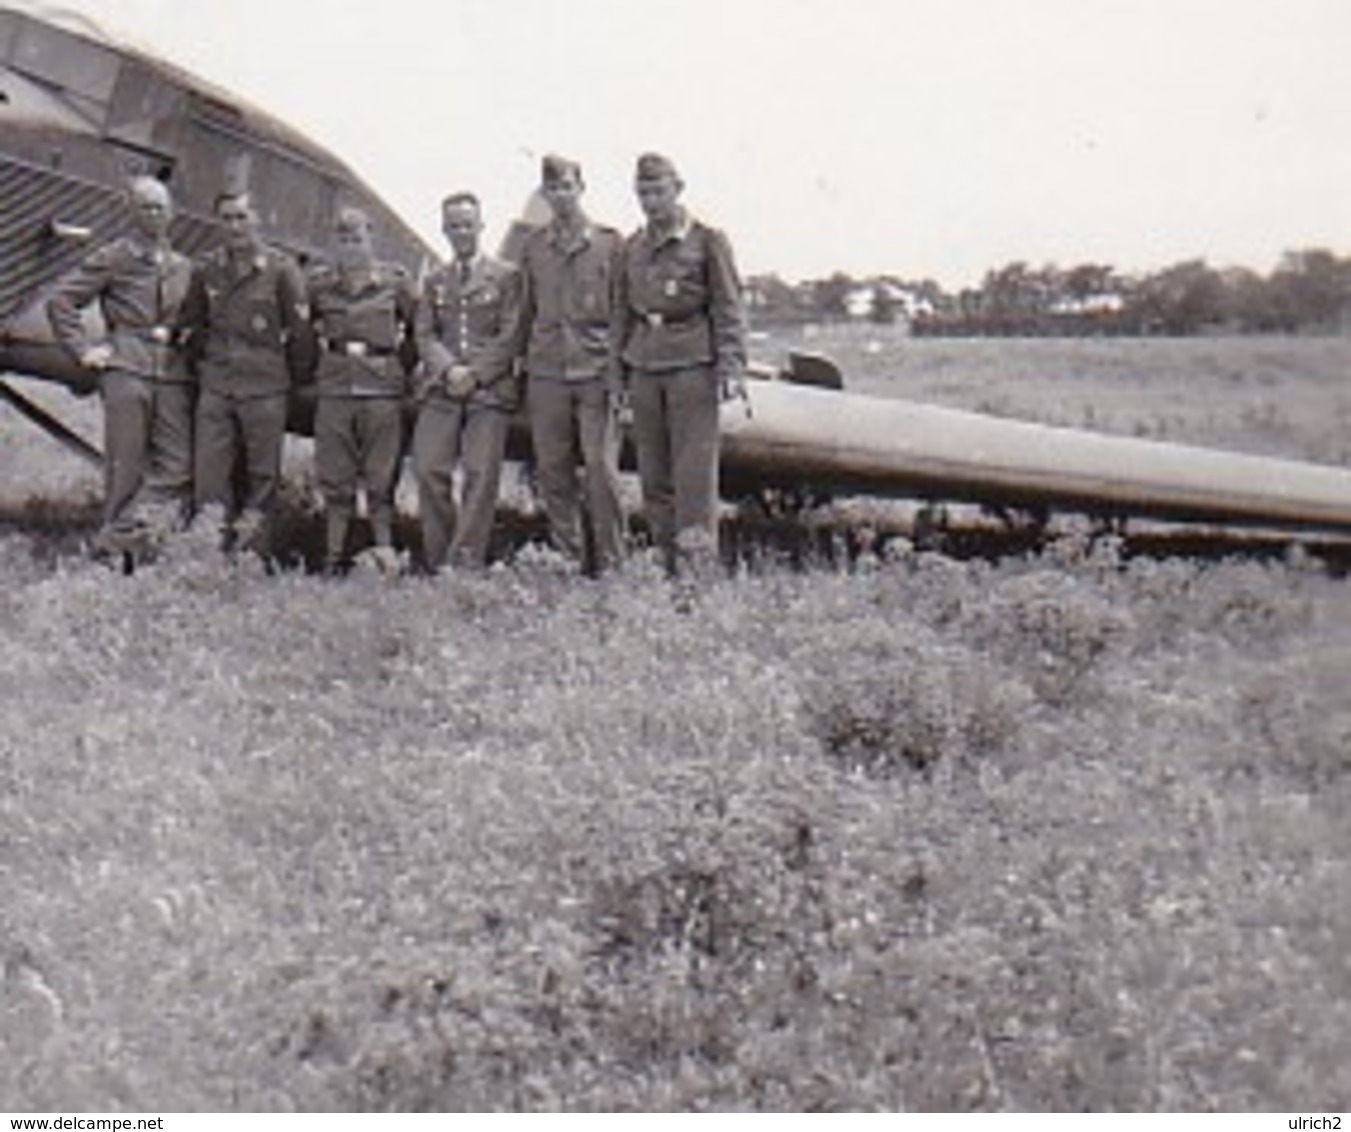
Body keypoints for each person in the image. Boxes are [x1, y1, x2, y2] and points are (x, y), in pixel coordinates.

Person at [611, 152, 748, 579]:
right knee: (654, 476)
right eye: (643, 192)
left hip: (692, 365)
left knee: (693, 477)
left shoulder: (708, 241)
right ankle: (666, 566)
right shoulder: (632, 247)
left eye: (658, 191)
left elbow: (728, 308)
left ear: (678, 188)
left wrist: (731, 369)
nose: (651, 201)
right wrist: (618, 375)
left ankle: (696, 572)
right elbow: (621, 315)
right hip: (645, 366)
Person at [47, 175, 195, 564]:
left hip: (173, 373)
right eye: (146, 206)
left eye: (161, 206)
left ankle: (114, 538)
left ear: (172, 212)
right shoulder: (115, 257)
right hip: (126, 367)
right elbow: (62, 301)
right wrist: (82, 350)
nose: (155, 214)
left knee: (178, 466)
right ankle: (121, 554)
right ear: (131, 212)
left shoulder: (183, 267)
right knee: (124, 465)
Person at [180, 189, 308, 560]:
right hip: (218, 385)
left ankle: (253, 554)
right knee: (210, 474)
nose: (234, 226)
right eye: (227, 218)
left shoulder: (281, 270)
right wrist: (204, 368)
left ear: (258, 220)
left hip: (265, 388)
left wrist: (292, 382)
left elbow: (299, 333)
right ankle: (208, 551)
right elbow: (193, 323)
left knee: (261, 477)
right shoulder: (206, 268)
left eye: (241, 217)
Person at [516, 155, 624, 573]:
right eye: (553, 188)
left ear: (581, 187)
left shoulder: (609, 244)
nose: (561, 195)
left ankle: (614, 562)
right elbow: (524, 313)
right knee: (553, 470)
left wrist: (618, 374)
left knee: (601, 469)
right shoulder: (534, 248)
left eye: (567, 186)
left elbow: (621, 313)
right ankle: (568, 558)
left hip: (595, 372)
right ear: (545, 194)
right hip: (547, 374)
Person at [411, 192, 522, 572]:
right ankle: (439, 557)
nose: (461, 232)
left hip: (488, 391)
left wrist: (474, 374)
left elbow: (510, 334)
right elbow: (424, 334)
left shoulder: (506, 276)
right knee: (428, 468)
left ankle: (465, 564)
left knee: (480, 473)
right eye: (453, 226)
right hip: (442, 389)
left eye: (467, 225)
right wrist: (448, 371)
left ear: (481, 226)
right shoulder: (435, 280)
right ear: (444, 229)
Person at [307, 206, 417, 574]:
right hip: (336, 387)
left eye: (357, 238)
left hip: (381, 389)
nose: (351, 246)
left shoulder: (395, 282)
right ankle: (332, 557)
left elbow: (419, 329)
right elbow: (305, 328)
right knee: (335, 477)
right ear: (333, 243)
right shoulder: (321, 284)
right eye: (343, 239)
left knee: (380, 477)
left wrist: (397, 365)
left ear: (373, 240)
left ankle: (385, 556)